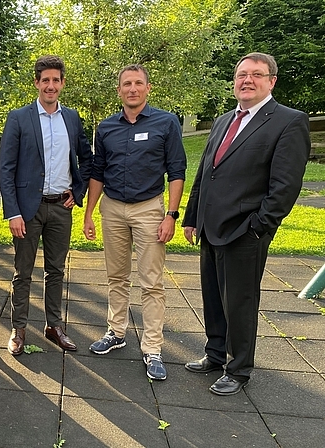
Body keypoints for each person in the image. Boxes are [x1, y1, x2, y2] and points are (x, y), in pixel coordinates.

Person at [182, 52, 310, 395]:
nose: (247, 80)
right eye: (241, 75)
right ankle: (214, 353)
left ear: (271, 81)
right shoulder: (225, 120)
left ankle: (238, 369)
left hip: (244, 232)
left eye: (256, 74)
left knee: (239, 302)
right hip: (210, 227)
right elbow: (206, 173)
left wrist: (258, 226)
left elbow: (285, 187)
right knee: (212, 296)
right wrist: (192, 217)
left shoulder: (288, 121)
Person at [83, 64, 186, 381]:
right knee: (116, 276)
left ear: (147, 88)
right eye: (126, 83)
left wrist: (171, 215)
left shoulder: (166, 123)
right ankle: (116, 332)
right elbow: (98, 172)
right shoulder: (106, 127)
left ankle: (152, 348)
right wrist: (89, 213)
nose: (132, 88)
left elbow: (177, 171)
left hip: (149, 210)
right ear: (119, 90)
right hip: (113, 208)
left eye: (138, 83)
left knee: (151, 282)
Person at [0, 55, 92, 356]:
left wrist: (77, 193)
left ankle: (54, 326)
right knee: (22, 272)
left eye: (56, 80)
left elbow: (87, 159)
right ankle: (19, 329)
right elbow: (6, 169)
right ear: (37, 83)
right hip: (27, 209)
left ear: (62, 83)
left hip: (60, 208)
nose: (50, 85)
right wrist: (12, 211)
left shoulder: (72, 118)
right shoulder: (19, 118)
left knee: (56, 271)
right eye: (45, 80)